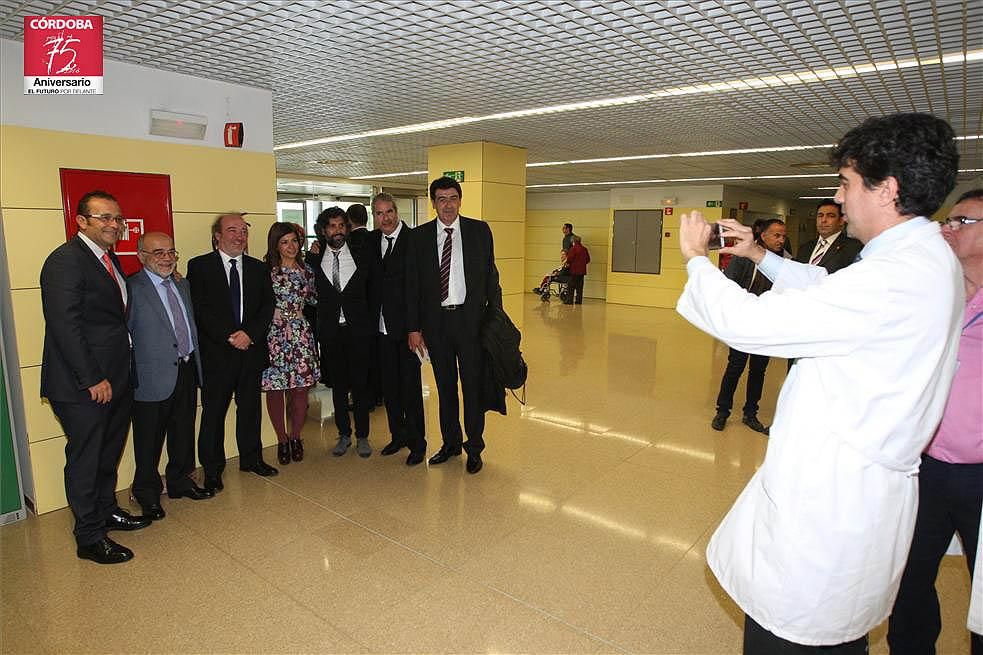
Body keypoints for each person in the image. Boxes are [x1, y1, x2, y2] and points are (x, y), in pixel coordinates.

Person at [676, 113, 962, 651]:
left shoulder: (895, 279)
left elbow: (750, 325)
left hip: (831, 506)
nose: (838, 195)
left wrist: (696, 260)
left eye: (848, 183)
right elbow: (828, 289)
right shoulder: (917, 260)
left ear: (888, 189)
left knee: (792, 636)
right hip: (849, 495)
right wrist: (759, 254)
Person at [888, 187, 983, 655]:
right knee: (909, 577)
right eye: (948, 220)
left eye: (962, 222)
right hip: (925, 466)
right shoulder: (934, 296)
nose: (947, 227)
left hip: (980, 475)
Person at [40, 190, 150, 565]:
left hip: (117, 378)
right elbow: (65, 326)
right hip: (83, 384)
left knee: (108, 452)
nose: (113, 224)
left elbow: (110, 317)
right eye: (103, 217)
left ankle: (106, 511)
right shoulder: (66, 261)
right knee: (86, 458)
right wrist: (92, 379)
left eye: (117, 218)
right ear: (81, 221)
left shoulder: (108, 260)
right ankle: (89, 537)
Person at [406, 176, 502, 475]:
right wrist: (414, 327)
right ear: (434, 203)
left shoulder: (479, 231)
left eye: (452, 198)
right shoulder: (419, 237)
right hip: (436, 324)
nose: (447, 204)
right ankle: (450, 444)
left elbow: (491, 277)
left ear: (460, 200)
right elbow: (412, 286)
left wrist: (494, 319)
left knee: (472, 387)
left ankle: (474, 447)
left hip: (470, 322)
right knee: (445, 388)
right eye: (441, 199)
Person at [187, 213, 277, 493]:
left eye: (243, 231)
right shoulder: (199, 266)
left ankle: (252, 459)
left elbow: (267, 307)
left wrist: (249, 334)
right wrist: (230, 336)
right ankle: (213, 470)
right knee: (213, 414)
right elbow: (199, 310)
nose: (239, 236)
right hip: (218, 354)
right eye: (232, 230)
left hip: (251, 351)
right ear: (217, 235)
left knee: (250, 410)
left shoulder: (258, 268)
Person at [128, 232, 213, 521]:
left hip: (186, 369)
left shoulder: (182, 283)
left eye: (171, 252)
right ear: (141, 256)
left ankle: (179, 481)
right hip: (151, 377)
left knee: (183, 432)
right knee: (149, 441)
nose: (166, 258)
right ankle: (147, 493)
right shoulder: (131, 289)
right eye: (158, 252)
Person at [710, 219, 789, 435]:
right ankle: (722, 411)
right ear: (763, 236)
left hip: (767, 328)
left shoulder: (787, 262)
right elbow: (728, 285)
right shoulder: (743, 258)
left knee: (758, 370)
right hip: (743, 324)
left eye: (783, 236)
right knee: (735, 367)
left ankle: (750, 413)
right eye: (776, 235)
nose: (781, 240)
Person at [314, 207, 378, 458]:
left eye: (341, 226)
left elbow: (373, 293)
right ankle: (343, 434)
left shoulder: (362, 256)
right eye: (332, 226)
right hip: (331, 334)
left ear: (347, 228)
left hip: (359, 331)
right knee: (338, 387)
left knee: (361, 386)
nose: (337, 231)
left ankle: (363, 436)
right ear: (323, 231)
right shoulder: (314, 260)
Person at [371, 193, 427, 466]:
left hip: (407, 331)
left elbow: (419, 289)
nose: (386, 218)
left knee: (410, 389)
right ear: (374, 217)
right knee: (390, 387)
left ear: (397, 211)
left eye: (389, 211)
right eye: (379, 214)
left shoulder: (415, 240)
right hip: (381, 330)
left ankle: (417, 442)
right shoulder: (372, 241)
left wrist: (416, 328)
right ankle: (398, 436)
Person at [261, 223, 320, 466]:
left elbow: (315, 299)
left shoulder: (307, 271)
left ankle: (296, 437)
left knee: (300, 389)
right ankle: (281, 439)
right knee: (275, 389)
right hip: (274, 335)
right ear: (276, 244)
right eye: (284, 242)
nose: (291, 246)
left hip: (300, 334)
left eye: (294, 241)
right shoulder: (266, 271)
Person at [794, 200, 863, 273]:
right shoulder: (804, 248)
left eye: (830, 216)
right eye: (820, 216)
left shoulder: (854, 248)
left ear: (841, 221)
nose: (823, 220)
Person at [564, 235, 590, 305]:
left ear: (573, 241)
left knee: (571, 286)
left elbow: (569, 259)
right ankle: (578, 301)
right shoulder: (585, 249)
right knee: (580, 287)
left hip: (574, 270)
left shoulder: (573, 249)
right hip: (582, 271)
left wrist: (568, 263)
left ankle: (569, 301)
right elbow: (588, 260)